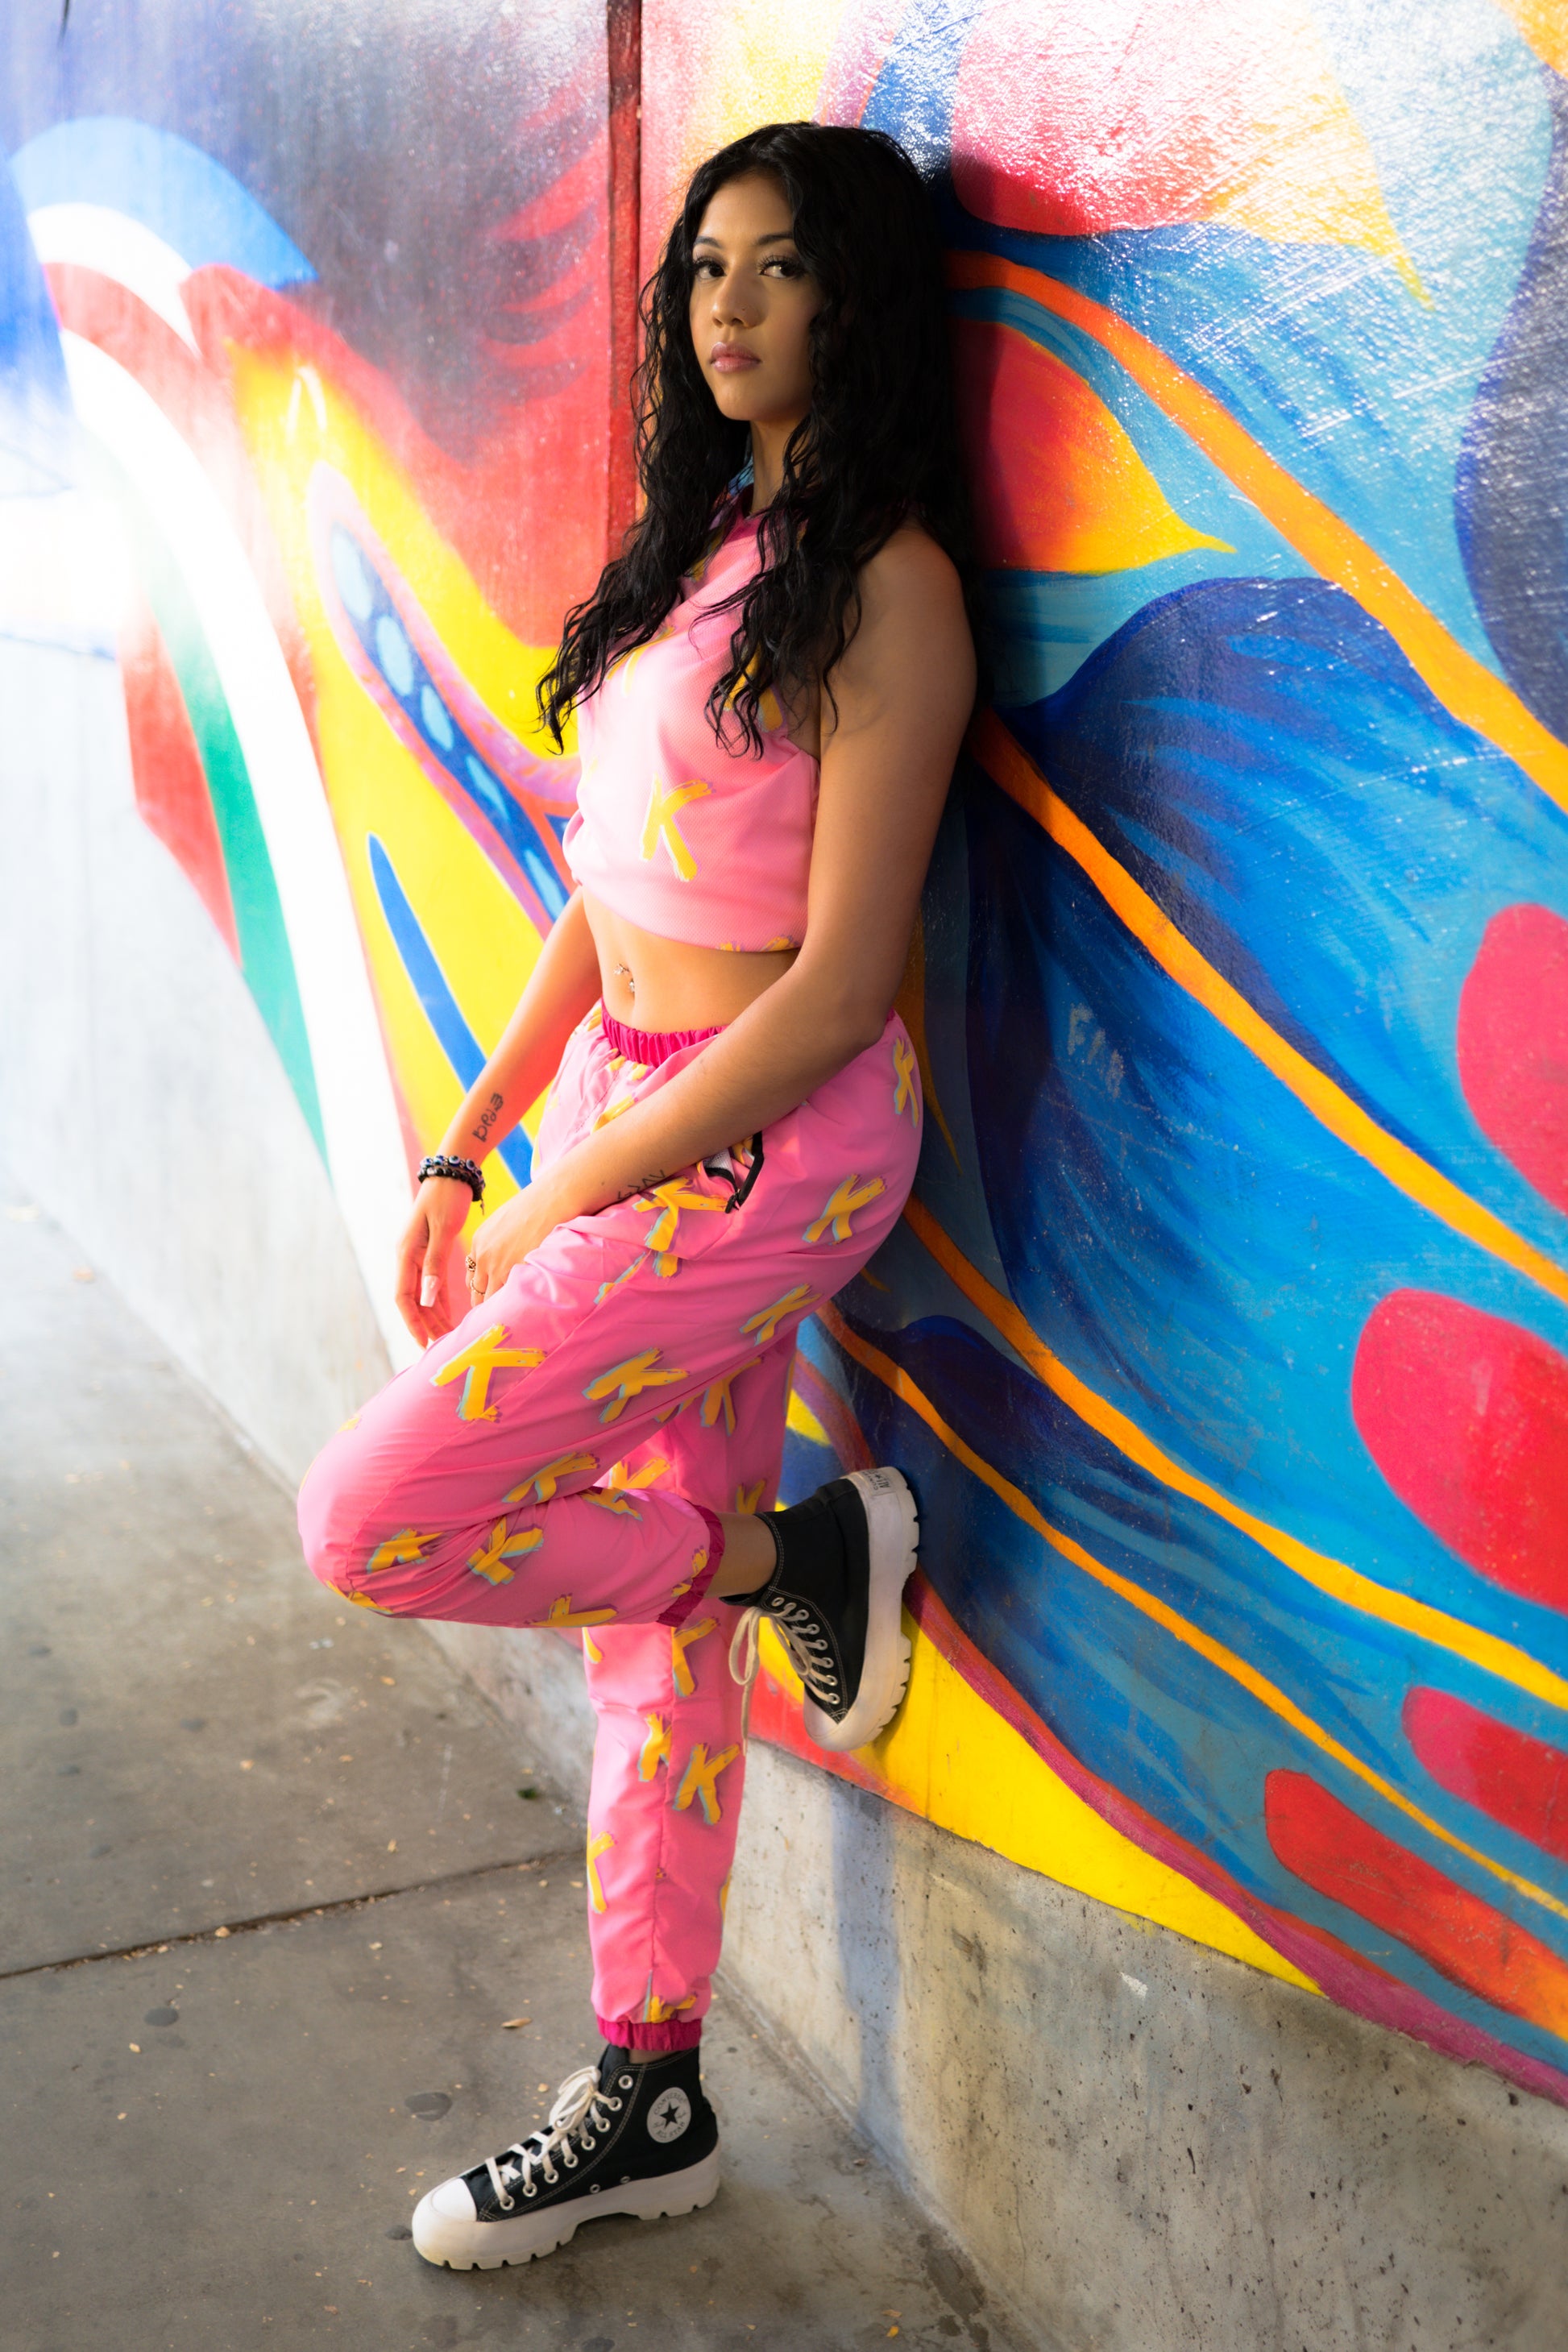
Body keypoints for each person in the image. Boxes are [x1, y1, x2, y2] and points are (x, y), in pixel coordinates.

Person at [297, 118, 976, 2272]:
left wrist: (558, 1197)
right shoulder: (702, 555)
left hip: (777, 1145)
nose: (725, 305)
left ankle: (804, 1549)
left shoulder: (889, 589)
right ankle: (650, 2085)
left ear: (857, 299)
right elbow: (613, 891)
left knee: (370, 1515)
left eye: (777, 267)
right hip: (630, 1108)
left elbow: (837, 988)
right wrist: (470, 1135)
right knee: (653, 1634)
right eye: (704, 268)